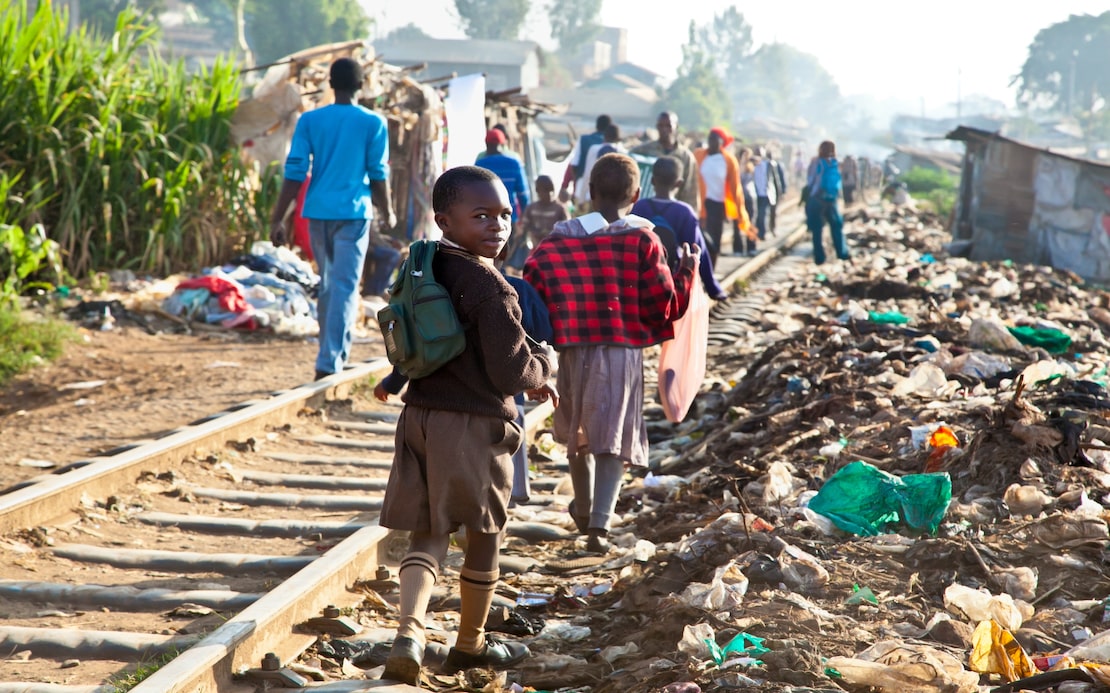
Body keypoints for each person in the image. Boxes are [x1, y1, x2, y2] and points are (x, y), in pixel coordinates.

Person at [377, 166, 557, 686]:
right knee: (484, 534)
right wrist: (543, 366)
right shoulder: (491, 286)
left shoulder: (424, 263)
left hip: (421, 417)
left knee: (429, 532)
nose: (497, 226)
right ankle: (469, 645)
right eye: (481, 216)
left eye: (503, 215)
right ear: (445, 219)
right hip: (473, 425)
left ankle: (408, 635)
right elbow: (509, 371)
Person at [525, 153, 696, 554]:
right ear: (636, 194)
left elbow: (532, 287)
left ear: (589, 191)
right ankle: (599, 526)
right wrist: (687, 271)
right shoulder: (643, 240)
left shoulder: (558, 240)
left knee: (581, 430)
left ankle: (582, 508)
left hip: (571, 350)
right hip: (620, 351)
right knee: (613, 436)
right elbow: (665, 304)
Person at [269, 57, 396, 381]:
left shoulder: (310, 121)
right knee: (343, 286)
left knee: (328, 285)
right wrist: (388, 209)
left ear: (330, 84)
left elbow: (295, 170)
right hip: (353, 215)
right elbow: (377, 173)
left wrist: (277, 216)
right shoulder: (373, 123)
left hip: (318, 213)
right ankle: (330, 361)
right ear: (360, 86)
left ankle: (330, 354)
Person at [631, 156, 728, 301]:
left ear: (652, 180)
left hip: (640, 278)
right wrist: (712, 287)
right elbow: (698, 251)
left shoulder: (639, 206)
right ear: (679, 183)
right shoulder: (684, 211)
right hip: (671, 279)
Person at [694, 127, 751, 263]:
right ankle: (700, 271)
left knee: (714, 242)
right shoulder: (699, 155)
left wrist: (739, 210)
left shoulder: (729, 161)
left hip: (717, 206)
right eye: (710, 139)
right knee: (698, 241)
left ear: (721, 142)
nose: (711, 142)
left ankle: (711, 270)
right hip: (700, 204)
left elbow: (735, 188)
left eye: (714, 139)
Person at [631, 112, 701, 215]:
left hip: (674, 212)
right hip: (646, 209)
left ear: (676, 127)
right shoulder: (642, 151)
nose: (664, 129)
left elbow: (690, 189)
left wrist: (691, 215)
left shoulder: (686, 157)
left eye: (668, 126)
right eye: (661, 125)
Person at [805, 140, 850, 265]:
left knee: (817, 229)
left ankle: (819, 258)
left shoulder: (816, 162)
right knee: (836, 227)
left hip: (817, 198)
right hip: (832, 199)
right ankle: (842, 253)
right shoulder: (835, 162)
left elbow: (810, 180)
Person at [475, 129, 530, 224]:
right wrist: (524, 217)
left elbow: (474, 193)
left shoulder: (480, 164)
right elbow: (523, 194)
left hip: (486, 219)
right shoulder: (514, 163)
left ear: (486, 144)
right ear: (502, 144)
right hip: (509, 216)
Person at [559, 114, 612, 211]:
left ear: (597, 126)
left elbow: (574, 165)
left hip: (582, 189)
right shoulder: (614, 146)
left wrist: (573, 185)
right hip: (603, 195)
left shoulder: (584, 139)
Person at [575, 123, 624, 210]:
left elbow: (588, 174)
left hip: (595, 197)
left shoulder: (594, 149)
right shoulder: (622, 153)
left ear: (604, 136)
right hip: (614, 201)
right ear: (617, 139)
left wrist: (581, 199)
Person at [519, 174, 569, 248]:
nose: (548, 194)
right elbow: (523, 228)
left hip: (555, 248)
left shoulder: (560, 209)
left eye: (549, 190)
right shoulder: (531, 209)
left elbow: (567, 230)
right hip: (536, 249)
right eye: (543, 190)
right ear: (537, 191)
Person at [753, 146, 780, 247]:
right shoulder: (752, 165)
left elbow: (776, 179)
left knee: (762, 214)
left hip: (766, 193)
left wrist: (779, 192)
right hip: (755, 194)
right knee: (757, 215)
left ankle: (762, 234)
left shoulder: (769, 165)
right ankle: (758, 233)